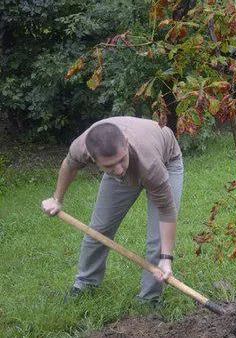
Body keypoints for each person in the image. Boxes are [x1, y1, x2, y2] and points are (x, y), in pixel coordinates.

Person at [41, 116, 183, 304]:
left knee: (158, 240)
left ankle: (149, 298)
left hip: (165, 160)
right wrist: (56, 199)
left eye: (120, 160)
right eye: (108, 166)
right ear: (92, 158)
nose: (118, 170)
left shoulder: (150, 164)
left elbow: (166, 210)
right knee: (99, 229)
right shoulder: (82, 146)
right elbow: (69, 165)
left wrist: (166, 258)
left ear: (125, 143)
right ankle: (85, 283)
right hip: (135, 159)